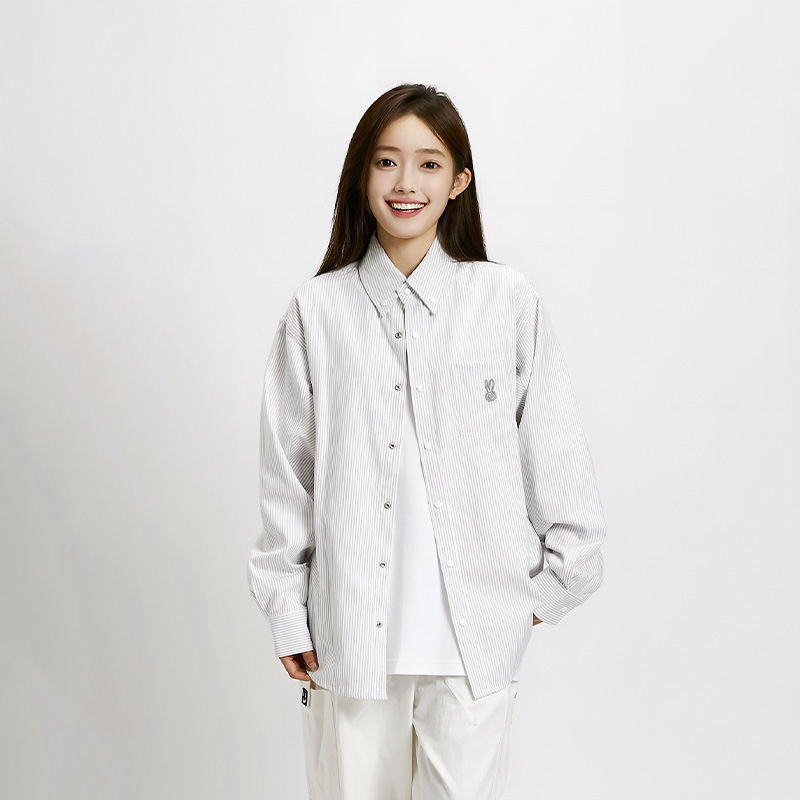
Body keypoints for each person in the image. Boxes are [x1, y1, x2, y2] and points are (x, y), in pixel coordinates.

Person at [248, 82, 606, 799]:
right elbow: (289, 477)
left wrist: (531, 601)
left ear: (459, 183)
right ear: (361, 176)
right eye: (386, 162)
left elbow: (557, 458)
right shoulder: (317, 311)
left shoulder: (506, 302)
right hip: (349, 643)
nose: (406, 183)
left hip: (473, 648)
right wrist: (287, 610)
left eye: (430, 164)